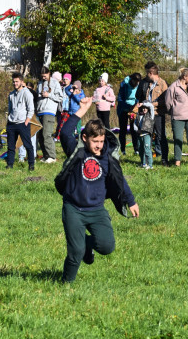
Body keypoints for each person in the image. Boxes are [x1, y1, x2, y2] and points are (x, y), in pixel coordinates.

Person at [55, 96, 139, 283]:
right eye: (95, 141)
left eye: (101, 141)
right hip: (73, 209)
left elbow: (119, 180)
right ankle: (65, 284)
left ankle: (86, 243)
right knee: (75, 252)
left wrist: (131, 200)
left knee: (107, 246)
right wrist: (81, 111)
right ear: (85, 138)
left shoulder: (107, 157)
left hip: (97, 210)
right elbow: (66, 133)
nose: (99, 145)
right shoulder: (77, 151)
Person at [136, 65, 169, 165]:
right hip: (148, 115)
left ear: (151, 73)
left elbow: (165, 101)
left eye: (147, 73)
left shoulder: (163, 84)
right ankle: (146, 160)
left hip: (158, 114)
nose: (146, 76)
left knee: (161, 136)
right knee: (147, 136)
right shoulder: (148, 84)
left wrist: (151, 104)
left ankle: (164, 159)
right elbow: (143, 97)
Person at [165, 67, 188, 167]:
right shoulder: (173, 87)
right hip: (178, 118)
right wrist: (174, 112)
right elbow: (168, 103)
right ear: (184, 76)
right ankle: (177, 162)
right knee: (178, 139)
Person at [6, 73, 35, 171]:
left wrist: (27, 121)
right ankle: (9, 164)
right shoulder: (11, 94)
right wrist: (9, 119)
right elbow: (10, 108)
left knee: (28, 145)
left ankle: (31, 165)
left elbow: (31, 109)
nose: (15, 83)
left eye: (17, 81)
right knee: (10, 146)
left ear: (22, 82)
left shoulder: (27, 93)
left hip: (23, 123)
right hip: (11, 123)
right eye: (13, 82)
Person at [36, 66, 63, 164]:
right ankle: (46, 155)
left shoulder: (55, 83)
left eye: (45, 76)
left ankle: (52, 156)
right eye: (42, 76)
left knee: (46, 134)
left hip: (49, 111)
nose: (44, 78)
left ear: (49, 73)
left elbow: (60, 97)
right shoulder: (39, 83)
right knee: (40, 136)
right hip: (40, 111)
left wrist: (49, 95)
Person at [117, 72, 141, 154]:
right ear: (132, 80)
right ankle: (122, 149)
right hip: (123, 109)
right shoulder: (124, 85)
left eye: (138, 83)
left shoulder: (138, 85)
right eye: (135, 82)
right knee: (123, 129)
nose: (136, 84)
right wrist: (128, 106)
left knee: (134, 129)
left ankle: (136, 149)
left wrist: (135, 106)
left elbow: (139, 97)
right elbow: (120, 99)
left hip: (133, 110)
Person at [134, 100, 155, 169]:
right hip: (139, 134)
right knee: (140, 149)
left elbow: (151, 106)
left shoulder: (150, 115)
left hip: (146, 134)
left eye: (146, 108)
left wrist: (143, 103)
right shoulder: (138, 115)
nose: (144, 109)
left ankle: (150, 164)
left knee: (147, 149)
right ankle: (143, 163)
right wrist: (137, 130)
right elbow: (135, 123)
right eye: (143, 107)